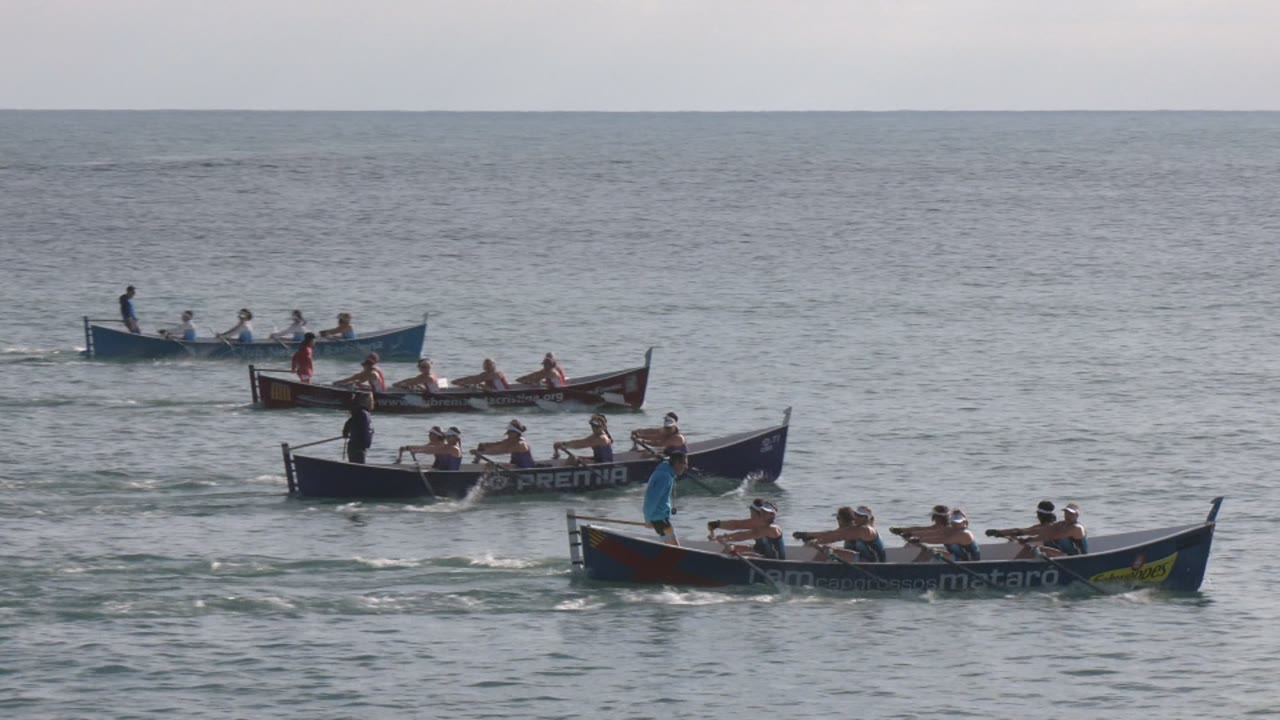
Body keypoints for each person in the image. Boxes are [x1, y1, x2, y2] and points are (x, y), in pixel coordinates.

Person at [986, 501, 1089, 556]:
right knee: (1030, 547)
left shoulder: (1076, 528)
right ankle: (1013, 565)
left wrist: (1029, 540)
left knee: (1036, 548)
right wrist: (1000, 533)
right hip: (1062, 555)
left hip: (1074, 557)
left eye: (1071, 513)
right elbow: (1030, 531)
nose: (1067, 515)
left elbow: (1052, 536)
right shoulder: (1060, 524)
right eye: (1066, 512)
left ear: (1077, 515)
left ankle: (1011, 569)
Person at [792, 505, 886, 562]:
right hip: (863, 559)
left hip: (873, 563)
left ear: (865, 518)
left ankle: (810, 571)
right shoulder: (857, 528)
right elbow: (834, 534)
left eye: (859, 515)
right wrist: (810, 537)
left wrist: (812, 538)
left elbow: (836, 536)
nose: (855, 517)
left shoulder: (865, 530)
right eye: (855, 514)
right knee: (829, 549)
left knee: (828, 548)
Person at [889, 506, 981, 561]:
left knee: (929, 552)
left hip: (968, 561)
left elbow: (939, 539)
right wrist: (903, 530)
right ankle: (911, 568)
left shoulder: (963, 534)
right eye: (954, 522)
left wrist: (917, 539)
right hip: (959, 556)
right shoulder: (948, 527)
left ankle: (910, 570)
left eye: (958, 522)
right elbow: (924, 530)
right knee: (927, 550)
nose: (955, 524)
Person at [708, 499, 786, 559]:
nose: (750, 515)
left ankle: (717, 568)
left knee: (731, 548)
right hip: (761, 552)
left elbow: (748, 535)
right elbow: (737, 524)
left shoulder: (772, 529)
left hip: (773, 562)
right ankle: (717, 565)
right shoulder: (758, 523)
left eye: (752, 512)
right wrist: (716, 524)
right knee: (732, 547)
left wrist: (727, 538)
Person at [642, 450, 688, 546]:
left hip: (660, 519)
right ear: (676, 463)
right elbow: (651, 500)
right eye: (684, 463)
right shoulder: (665, 477)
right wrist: (648, 520)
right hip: (660, 519)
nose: (686, 467)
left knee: (673, 546)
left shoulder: (664, 473)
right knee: (675, 548)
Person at [399, 426, 464, 470]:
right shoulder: (447, 446)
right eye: (446, 436)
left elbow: (433, 449)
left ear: (455, 438)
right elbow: (429, 448)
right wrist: (408, 448)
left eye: (449, 436)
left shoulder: (454, 449)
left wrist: (418, 451)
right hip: (440, 472)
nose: (447, 438)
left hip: (449, 477)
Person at [342, 395, 374, 464]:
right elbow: (349, 423)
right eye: (371, 401)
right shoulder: (362, 414)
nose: (373, 402)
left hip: (357, 448)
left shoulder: (362, 413)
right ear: (366, 402)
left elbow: (348, 424)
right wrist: (345, 433)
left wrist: (345, 433)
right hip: (357, 449)